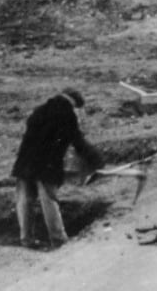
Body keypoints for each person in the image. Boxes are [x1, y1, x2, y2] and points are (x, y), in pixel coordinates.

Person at [11, 89, 103, 249]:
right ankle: (58, 240)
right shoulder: (67, 115)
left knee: (24, 201)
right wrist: (96, 160)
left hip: (25, 163)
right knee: (49, 200)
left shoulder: (39, 110)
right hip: (47, 165)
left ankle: (26, 239)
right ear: (74, 104)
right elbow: (78, 142)